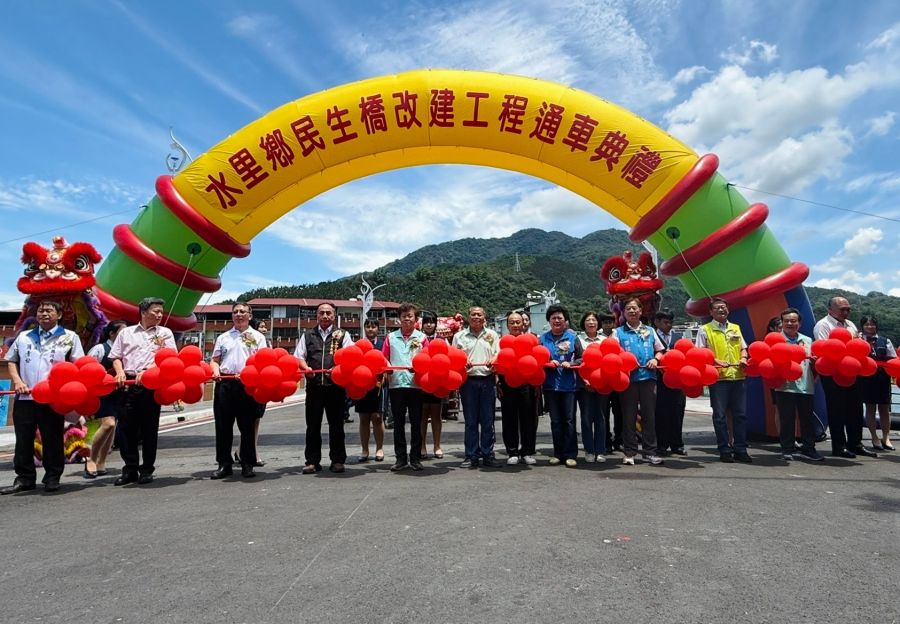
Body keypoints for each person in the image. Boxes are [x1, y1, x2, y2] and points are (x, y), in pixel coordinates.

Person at [1, 300, 85, 495]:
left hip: (52, 399)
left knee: (52, 438)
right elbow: (11, 361)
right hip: (25, 398)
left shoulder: (70, 337)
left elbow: (77, 365)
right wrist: (18, 382)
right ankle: (24, 478)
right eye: (40, 310)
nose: (44, 314)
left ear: (59, 315)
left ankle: (52, 477)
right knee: (23, 439)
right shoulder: (23, 336)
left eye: (48, 310)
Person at [110, 297, 177, 485]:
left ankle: (147, 469)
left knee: (149, 429)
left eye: (161, 312)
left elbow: (169, 358)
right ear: (143, 312)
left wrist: (149, 371)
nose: (159, 315)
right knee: (125, 430)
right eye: (155, 311)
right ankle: (129, 469)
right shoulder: (126, 333)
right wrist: (120, 372)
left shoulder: (165, 333)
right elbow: (115, 356)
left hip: (151, 386)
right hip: (128, 385)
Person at [209, 302, 268, 480]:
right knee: (223, 426)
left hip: (246, 384)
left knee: (247, 427)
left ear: (249, 316)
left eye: (243, 311)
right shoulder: (223, 337)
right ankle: (224, 464)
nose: (239, 314)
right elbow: (214, 360)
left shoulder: (258, 337)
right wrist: (215, 369)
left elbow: (263, 361)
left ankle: (247, 464)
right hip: (225, 384)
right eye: (235, 312)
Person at [813, 297, 876, 458]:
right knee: (836, 410)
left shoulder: (851, 325)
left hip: (851, 371)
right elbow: (824, 349)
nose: (846, 312)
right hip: (833, 373)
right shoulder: (823, 325)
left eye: (848, 309)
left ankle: (855, 443)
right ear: (831, 309)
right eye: (843, 309)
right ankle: (838, 446)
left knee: (855, 409)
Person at [295, 302, 353, 474]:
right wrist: (305, 368)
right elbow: (299, 357)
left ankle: (337, 460)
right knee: (312, 426)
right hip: (314, 387)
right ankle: (312, 461)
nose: (325, 316)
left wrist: (338, 369)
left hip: (335, 387)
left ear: (334, 316)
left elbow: (350, 357)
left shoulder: (343, 335)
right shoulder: (308, 335)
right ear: (317, 316)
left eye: (329, 313)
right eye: (322, 313)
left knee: (336, 425)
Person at [695, 298, 752, 463]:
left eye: (724, 308)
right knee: (719, 416)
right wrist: (715, 361)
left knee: (740, 415)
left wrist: (743, 357)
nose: (722, 310)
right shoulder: (705, 329)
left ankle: (740, 448)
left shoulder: (735, 328)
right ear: (711, 312)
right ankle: (724, 449)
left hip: (738, 376)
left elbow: (743, 348)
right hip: (718, 378)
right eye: (718, 308)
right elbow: (700, 353)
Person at [615, 298, 665, 466]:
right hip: (628, 380)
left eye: (635, 308)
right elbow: (614, 353)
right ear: (624, 312)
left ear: (641, 311)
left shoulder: (650, 330)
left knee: (649, 416)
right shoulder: (618, 332)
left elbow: (660, 351)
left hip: (648, 378)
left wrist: (656, 360)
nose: (632, 311)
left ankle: (650, 452)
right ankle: (629, 452)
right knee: (628, 416)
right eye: (628, 308)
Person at [774, 308, 824, 462]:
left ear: (799, 323)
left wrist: (816, 363)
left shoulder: (808, 340)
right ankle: (787, 449)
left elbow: (813, 363)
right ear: (782, 323)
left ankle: (809, 448)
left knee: (807, 419)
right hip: (784, 385)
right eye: (786, 321)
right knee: (787, 419)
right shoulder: (776, 340)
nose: (790, 323)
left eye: (793, 321)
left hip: (805, 385)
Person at [382, 303, 427, 472]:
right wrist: (388, 367)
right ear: (399, 319)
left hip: (416, 385)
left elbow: (428, 359)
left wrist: (420, 368)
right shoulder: (390, 337)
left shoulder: (422, 338)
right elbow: (383, 358)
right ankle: (400, 459)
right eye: (404, 316)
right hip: (396, 385)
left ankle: (415, 458)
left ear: (416, 319)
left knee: (416, 423)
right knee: (398, 423)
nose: (407, 319)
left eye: (410, 316)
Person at [453, 306, 500, 468]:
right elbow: (453, 357)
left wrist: (493, 361)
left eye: (479, 314)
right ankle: (471, 455)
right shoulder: (459, 336)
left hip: (487, 380)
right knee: (471, 421)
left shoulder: (492, 335)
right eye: (473, 314)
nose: (476, 317)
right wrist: (461, 361)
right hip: (468, 382)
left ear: (484, 317)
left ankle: (488, 454)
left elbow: (497, 354)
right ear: (468, 317)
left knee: (488, 421)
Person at [540, 304, 583, 467]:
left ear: (565, 321)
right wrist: (548, 362)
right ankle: (558, 453)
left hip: (569, 386)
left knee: (569, 420)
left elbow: (582, 358)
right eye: (553, 318)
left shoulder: (573, 338)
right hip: (550, 386)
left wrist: (570, 364)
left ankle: (571, 454)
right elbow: (537, 359)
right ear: (549, 321)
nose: (557, 321)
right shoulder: (543, 339)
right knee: (555, 421)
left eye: (560, 318)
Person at [84, 320, 128, 479]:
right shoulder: (100, 349)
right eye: (122, 331)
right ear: (112, 333)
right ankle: (91, 459)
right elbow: (86, 369)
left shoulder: (126, 350)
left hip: (118, 392)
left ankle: (101, 462)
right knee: (108, 424)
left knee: (112, 427)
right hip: (101, 392)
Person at [498, 311, 539, 465]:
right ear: (507, 325)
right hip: (507, 383)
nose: (515, 325)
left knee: (528, 419)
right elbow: (496, 362)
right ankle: (512, 451)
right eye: (512, 322)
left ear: (523, 323)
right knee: (509, 418)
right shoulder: (502, 341)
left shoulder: (532, 339)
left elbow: (538, 361)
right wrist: (497, 382)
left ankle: (527, 451)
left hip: (527, 384)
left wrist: (536, 384)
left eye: (518, 322)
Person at [858, 315, 896, 451]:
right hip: (866, 379)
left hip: (882, 378)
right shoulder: (858, 341)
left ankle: (886, 437)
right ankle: (874, 437)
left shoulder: (885, 341)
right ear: (862, 326)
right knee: (870, 408)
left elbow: (893, 359)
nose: (869, 327)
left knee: (885, 409)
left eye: (872, 324)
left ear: (876, 326)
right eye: (866, 324)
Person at [653, 310, 687, 456]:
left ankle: (677, 444)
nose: (669, 325)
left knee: (677, 411)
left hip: (678, 380)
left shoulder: (679, 338)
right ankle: (661, 444)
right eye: (665, 322)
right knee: (660, 412)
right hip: (659, 380)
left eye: (670, 322)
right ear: (657, 322)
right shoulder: (651, 336)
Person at [575, 310, 607, 462]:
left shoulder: (605, 339)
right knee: (586, 418)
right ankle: (589, 450)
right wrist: (585, 381)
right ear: (584, 323)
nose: (591, 322)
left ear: (598, 323)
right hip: (585, 385)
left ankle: (600, 450)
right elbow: (576, 361)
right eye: (588, 320)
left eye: (594, 320)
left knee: (601, 417)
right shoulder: (578, 339)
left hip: (602, 384)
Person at [355, 319, 386, 462]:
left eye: (373, 327)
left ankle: (379, 448)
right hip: (362, 385)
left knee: (377, 418)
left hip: (378, 386)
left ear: (378, 329)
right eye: (367, 327)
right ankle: (364, 449)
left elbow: (386, 362)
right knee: (364, 418)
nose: (370, 329)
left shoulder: (383, 344)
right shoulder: (359, 345)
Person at [599, 313, 624, 452]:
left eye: (610, 322)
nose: (608, 324)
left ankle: (619, 440)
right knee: (603, 413)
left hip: (618, 378)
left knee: (619, 411)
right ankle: (606, 440)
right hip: (603, 378)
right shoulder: (597, 338)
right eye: (605, 322)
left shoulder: (619, 335)